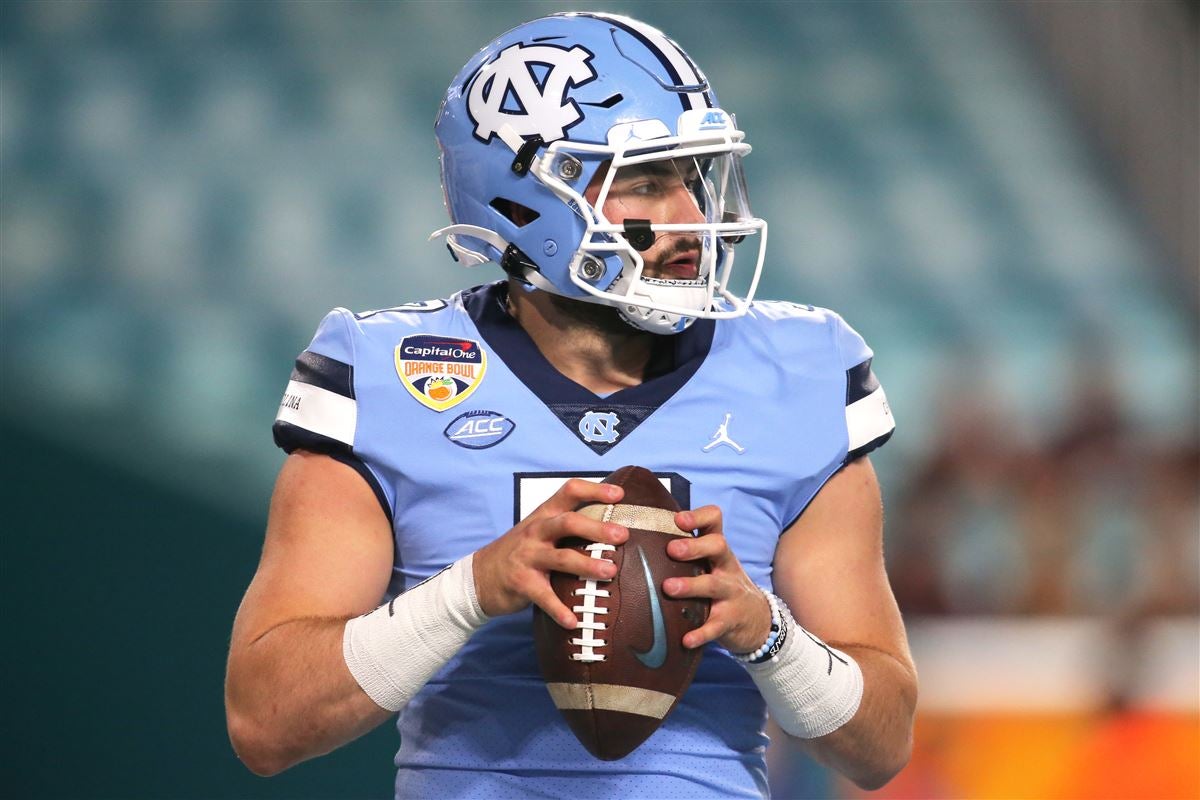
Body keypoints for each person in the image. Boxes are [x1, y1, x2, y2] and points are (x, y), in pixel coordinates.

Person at [225, 12, 917, 798]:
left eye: (694, 177)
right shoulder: (385, 374)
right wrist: (474, 589)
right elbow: (264, 722)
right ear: (525, 203)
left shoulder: (800, 372)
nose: (693, 218)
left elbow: (883, 744)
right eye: (649, 181)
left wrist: (766, 632)